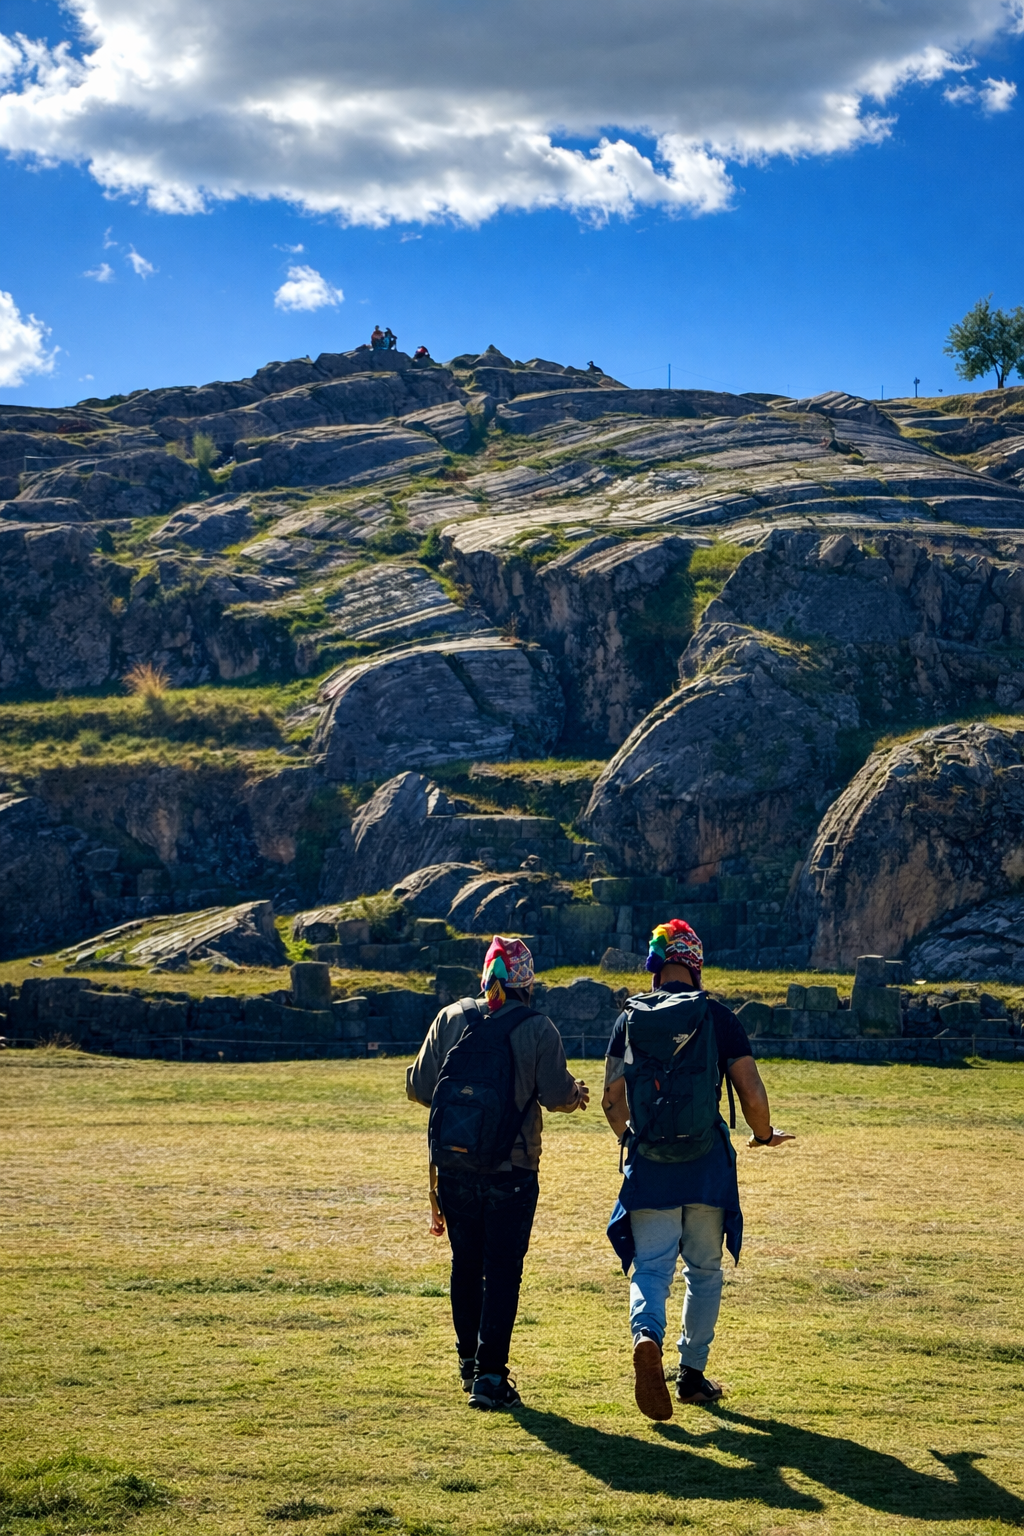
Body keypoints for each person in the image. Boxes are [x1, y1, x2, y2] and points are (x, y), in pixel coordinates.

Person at [602, 919, 794, 1420]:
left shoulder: (629, 1021)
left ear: (654, 966)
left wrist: (630, 1139)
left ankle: (646, 1336)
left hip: (651, 1167)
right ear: (695, 964)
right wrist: (764, 1133)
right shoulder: (717, 1016)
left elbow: (610, 1099)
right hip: (706, 1165)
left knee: (651, 1266)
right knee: (704, 1271)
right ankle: (691, 1375)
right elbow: (750, 1091)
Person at [408, 936, 589, 1411]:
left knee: (465, 1264)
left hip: (454, 1166)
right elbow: (555, 1095)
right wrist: (577, 1094)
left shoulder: (450, 1018)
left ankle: (468, 1362)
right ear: (527, 980)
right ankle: (491, 1375)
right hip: (513, 1169)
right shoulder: (537, 1027)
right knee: (502, 1270)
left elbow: (418, 1086)